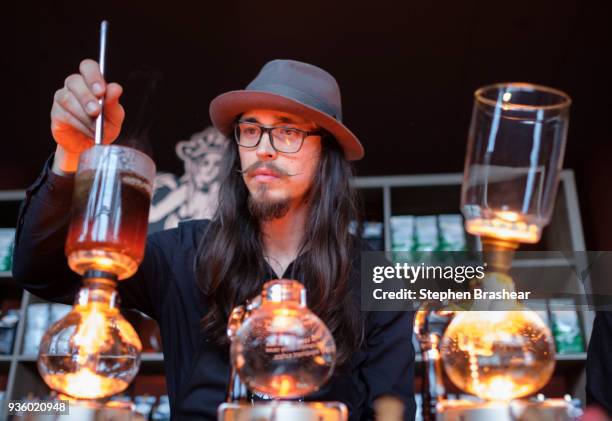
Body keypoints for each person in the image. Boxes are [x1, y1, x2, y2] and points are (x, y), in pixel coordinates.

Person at [12, 59, 416, 420]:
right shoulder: (183, 254)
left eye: (288, 132)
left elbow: (390, 409)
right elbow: (42, 272)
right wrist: (70, 154)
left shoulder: (376, 278)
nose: (265, 150)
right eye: (251, 130)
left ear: (325, 152)